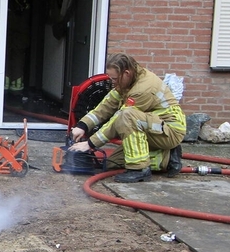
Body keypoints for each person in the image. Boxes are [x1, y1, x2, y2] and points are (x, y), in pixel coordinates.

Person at [68, 52, 185, 182]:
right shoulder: (127, 82)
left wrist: (90, 144)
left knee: (127, 115)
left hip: (170, 130)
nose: (112, 83)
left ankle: (139, 169)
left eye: (114, 79)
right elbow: (104, 107)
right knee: (111, 164)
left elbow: (119, 119)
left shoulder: (143, 89)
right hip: (154, 128)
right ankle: (167, 157)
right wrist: (82, 126)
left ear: (126, 73)